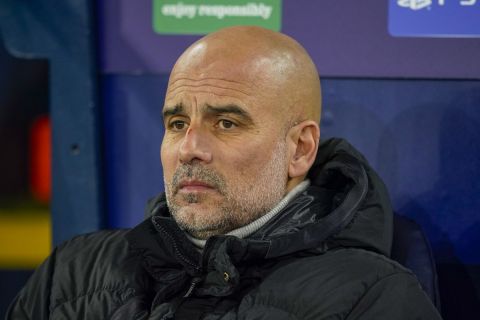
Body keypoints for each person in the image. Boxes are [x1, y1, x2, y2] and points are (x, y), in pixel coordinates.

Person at [7, 26, 442, 319]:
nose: (190, 149)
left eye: (227, 123)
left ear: (300, 149)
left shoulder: (372, 298)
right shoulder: (72, 273)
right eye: (177, 124)